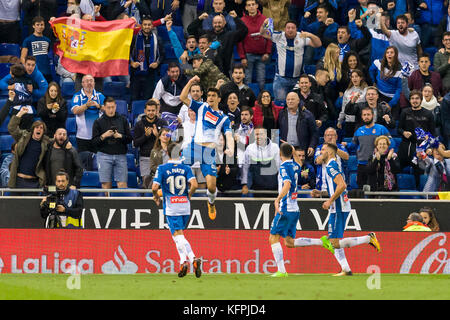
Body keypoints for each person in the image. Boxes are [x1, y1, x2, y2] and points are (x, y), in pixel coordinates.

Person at [312, 143, 381, 276]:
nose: (321, 153)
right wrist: (321, 193)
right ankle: (346, 269)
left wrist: (330, 200)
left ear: (330, 153)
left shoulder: (331, 165)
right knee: (334, 240)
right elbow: (336, 187)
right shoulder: (330, 165)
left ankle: (368, 238)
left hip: (338, 207)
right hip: (338, 206)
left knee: (334, 242)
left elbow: (342, 185)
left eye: (323, 150)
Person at [269, 142, 332, 277]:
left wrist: (278, 199)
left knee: (273, 238)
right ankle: (322, 241)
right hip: (295, 209)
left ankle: (281, 271)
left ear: (280, 155)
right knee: (289, 242)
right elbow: (298, 161)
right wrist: (292, 150)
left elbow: (287, 184)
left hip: (285, 208)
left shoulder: (284, 167)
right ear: (292, 154)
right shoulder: (295, 165)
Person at [179, 76, 234, 220]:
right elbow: (183, 97)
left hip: (209, 153)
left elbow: (229, 135)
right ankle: (167, 192)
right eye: (208, 95)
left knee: (211, 187)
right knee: (177, 170)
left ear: (219, 99)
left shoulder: (224, 118)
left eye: (213, 95)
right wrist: (190, 82)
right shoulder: (201, 107)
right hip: (194, 147)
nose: (210, 97)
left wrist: (231, 149)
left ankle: (211, 202)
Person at [152, 141, 202, 278]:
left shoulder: (162, 168)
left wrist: (156, 197)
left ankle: (192, 259)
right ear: (180, 153)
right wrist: (189, 194)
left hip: (171, 206)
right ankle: (182, 262)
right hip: (185, 206)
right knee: (179, 236)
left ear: (167, 153)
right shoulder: (186, 168)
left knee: (178, 236)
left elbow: (154, 188)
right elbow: (195, 185)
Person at [261, 19, 322, 101]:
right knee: (280, 104)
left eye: (293, 28)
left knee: (299, 104)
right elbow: (263, 33)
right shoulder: (278, 36)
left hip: (297, 80)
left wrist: (309, 35)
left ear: (296, 29)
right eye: (288, 28)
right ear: (284, 29)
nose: (290, 30)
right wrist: (264, 24)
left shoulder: (301, 37)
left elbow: (318, 44)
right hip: (281, 79)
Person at [187, 10, 248, 77]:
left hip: (224, 72)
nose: (217, 25)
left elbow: (244, 31)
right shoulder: (206, 34)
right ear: (212, 23)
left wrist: (236, 18)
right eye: (215, 23)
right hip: (207, 72)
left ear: (224, 23)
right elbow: (190, 30)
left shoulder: (230, 35)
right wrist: (199, 19)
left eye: (219, 23)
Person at [91, 97, 133, 190]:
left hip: (120, 155)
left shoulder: (123, 120)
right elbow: (94, 142)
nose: (111, 110)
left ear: (116, 106)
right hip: (103, 155)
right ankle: (106, 205)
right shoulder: (98, 122)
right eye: (108, 107)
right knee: (106, 186)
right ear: (104, 107)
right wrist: (104, 136)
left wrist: (120, 136)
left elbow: (130, 139)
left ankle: (122, 204)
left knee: (122, 185)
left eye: (113, 107)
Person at [7, 108, 50, 189]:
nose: (39, 129)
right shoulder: (23, 136)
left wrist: (66, 143)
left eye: (41, 128)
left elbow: (58, 141)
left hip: (34, 183)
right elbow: (11, 128)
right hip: (18, 180)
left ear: (43, 132)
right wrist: (20, 113)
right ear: (33, 129)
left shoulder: (46, 142)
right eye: (37, 127)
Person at [351, 107, 393, 189]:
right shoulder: (359, 130)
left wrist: (390, 152)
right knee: (361, 190)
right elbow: (353, 145)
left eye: (368, 114)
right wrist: (345, 145)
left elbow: (391, 142)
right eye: (364, 115)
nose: (366, 117)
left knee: (375, 190)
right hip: (362, 165)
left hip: (377, 164)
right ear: (362, 117)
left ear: (373, 115)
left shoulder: (381, 128)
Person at [238, 0, 272, 90]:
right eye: (249, 5)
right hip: (248, 55)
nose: (251, 7)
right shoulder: (241, 21)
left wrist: (267, 53)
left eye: (253, 4)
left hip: (262, 55)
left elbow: (269, 37)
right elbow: (239, 41)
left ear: (257, 6)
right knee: (247, 80)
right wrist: (242, 57)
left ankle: (262, 100)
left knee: (261, 80)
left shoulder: (266, 19)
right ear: (246, 7)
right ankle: (247, 100)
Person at [397, 90, 436, 170]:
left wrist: (431, 148)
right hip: (406, 145)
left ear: (421, 100)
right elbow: (399, 129)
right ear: (410, 100)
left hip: (422, 146)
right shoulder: (404, 112)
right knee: (400, 169)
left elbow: (433, 133)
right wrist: (403, 132)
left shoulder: (428, 114)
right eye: (412, 98)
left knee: (418, 172)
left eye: (417, 98)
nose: (414, 101)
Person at [133, 99, 168, 186]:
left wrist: (158, 136)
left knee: (161, 183)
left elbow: (168, 140)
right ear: (145, 111)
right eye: (148, 110)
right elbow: (135, 143)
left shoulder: (163, 122)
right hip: (145, 157)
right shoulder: (139, 124)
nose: (151, 113)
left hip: (160, 157)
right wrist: (146, 136)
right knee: (146, 183)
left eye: (153, 110)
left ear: (157, 111)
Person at [129, 15, 164, 101]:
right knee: (134, 99)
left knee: (147, 100)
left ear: (152, 26)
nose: (147, 27)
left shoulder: (157, 39)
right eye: (145, 24)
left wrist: (157, 63)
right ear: (141, 25)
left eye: (149, 25)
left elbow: (163, 55)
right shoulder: (134, 38)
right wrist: (132, 63)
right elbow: (127, 53)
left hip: (150, 74)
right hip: (136, 73)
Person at [71, 74, 105, 154]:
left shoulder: (100, 96)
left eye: (91, 81)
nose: (89, 83)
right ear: (82, 83)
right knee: (84, 162)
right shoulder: (77, 96)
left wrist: (99, 106)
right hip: (82, 137)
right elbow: (75, 111)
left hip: (98, 136)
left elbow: (109, 110)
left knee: (98, 162)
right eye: (87, 81)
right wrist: (86, 105)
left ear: (94, 83)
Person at [278, 91, 318, 158]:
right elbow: (275, 130)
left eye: (292, 99)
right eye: (288, 99)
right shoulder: (281, 114)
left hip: (301, 150)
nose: (290, 101)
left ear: (298, 101)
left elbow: (314, 132)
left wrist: (312, 146)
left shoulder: (307, 115)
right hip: (286, 149)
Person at [369, 46, 403, 114]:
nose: (389, 54)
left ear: (395, 55)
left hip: (392, 98)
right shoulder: (378, 63)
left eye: (391, 52)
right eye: (387, 52)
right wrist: (374, 82)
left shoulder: (401, 71)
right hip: (379, 95)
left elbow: (399, 89)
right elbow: (371, 70)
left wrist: (391, 104)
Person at [314, 127, 349, 192]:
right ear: (324, 137)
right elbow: (318, 161)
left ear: (336, 137)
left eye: (332, 135)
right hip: (323, 186)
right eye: (328, 135)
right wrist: (328, 150)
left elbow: (346, 157)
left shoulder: (340, 147)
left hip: (338, 185)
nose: (330, 137)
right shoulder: (320, 148)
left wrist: (334, 148)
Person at [21, 16, 52, 83]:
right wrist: (28, 69)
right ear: (33, 26)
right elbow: (23, 57)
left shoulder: (48, 40)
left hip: (46, 71)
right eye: (37, 24)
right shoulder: (27, 40)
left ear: (44, 26)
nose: (40, 27)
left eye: (42, 25)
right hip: (34, 72)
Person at [338, 69, 368, 137]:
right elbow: (344, 107)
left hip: (361, 121)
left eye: (356, 76)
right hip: (349, 121)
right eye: (352, 77)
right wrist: (340, 120)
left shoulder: (366, 90)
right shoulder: (347, 91)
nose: (354, 78)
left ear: (361, 78)